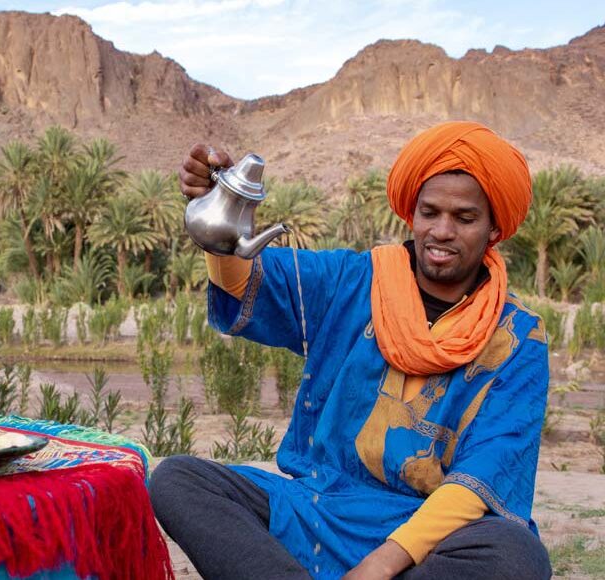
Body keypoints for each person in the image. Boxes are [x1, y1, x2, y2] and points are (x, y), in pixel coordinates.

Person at [151, 122, 552, 579]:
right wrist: (218, 222)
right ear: (411, 215)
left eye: (464, 218)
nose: (442, 231)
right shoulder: (356, 281)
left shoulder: (517, 338)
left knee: (516, 553)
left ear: (494, 228)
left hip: (431, 535)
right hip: (322, 508)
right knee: (179, 479)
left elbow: (480, 479)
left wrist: (379, 566)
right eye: (430, 213)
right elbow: (245, 283)